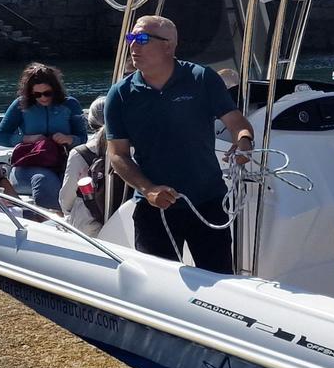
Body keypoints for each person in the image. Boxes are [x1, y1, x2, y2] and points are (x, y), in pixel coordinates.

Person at [104, 14, 253, 272]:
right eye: (131, 38)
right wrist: (148, 189)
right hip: (154, 208)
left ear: (168, 45)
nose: (133, 46)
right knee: (158, 285)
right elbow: (117, 155)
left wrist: (244, 142)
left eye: (142, 39)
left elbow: (237, 122)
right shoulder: (120, 95)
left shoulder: (201, 79)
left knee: (220, 282)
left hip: (207, 202)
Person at [0, 62, 86, 208]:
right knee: (43, 180)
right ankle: (53, 219)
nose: (43, 98)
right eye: (37, 94)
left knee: (78, 184)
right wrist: (26, 139)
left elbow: (82, 138)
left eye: (47, 93)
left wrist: (69, 139)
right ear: (30, 93)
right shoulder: (20, 105)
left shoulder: (70, 105)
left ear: (55, 90)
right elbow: (0, 137)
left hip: (62, 163)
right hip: (28, 166)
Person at [58, 95, 111, 234]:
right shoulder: (132, 151)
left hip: (89, 227)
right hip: (124, 223)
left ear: (90, 122)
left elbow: (66, 202)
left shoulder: (79, 154)